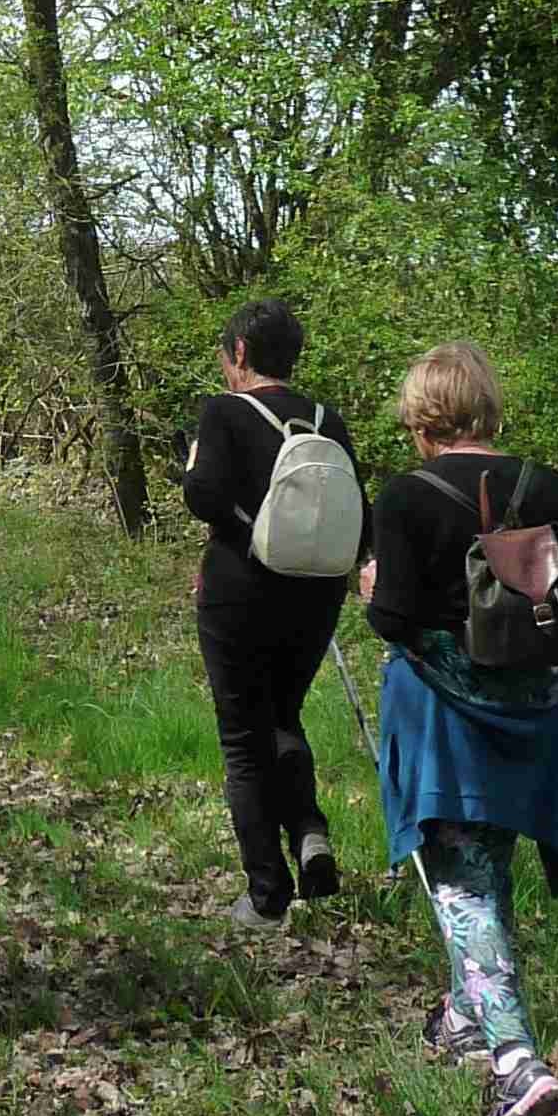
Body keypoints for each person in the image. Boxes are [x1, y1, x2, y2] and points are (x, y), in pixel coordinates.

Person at [361, 340, 558, 1116]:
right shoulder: (549, 488)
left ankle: (516, 1061)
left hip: (446, 713)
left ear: (421, 419)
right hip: (535, 713)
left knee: (459, 879)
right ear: (488, 406)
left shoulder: (406, 498)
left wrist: (376, 586)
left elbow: (394, 620)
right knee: (486, 862)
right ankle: (463, 1016)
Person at [181, 298, 365, 926]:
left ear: (239, 354)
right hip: (315, 594)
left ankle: (267, 896)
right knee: (284, 714)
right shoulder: (326, 420)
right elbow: (353, 511)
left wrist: (237, 515)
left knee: (242, 737)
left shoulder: (224, 412)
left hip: (239, 589)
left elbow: (202, 495)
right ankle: (310, 830)